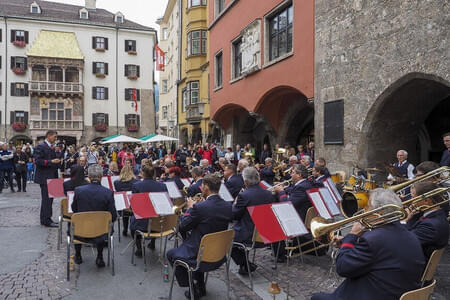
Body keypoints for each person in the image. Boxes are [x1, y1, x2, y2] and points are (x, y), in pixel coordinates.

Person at [311, 189, 425, 300]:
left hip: (371, 294)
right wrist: (347, 243)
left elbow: (343, 268)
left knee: (316, 297)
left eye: (368, 207)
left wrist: (352, 235)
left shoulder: (373, 239)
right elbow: (378, 256)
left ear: (378, 213)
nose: (364, 211)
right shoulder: (409, 234)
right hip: (394, 291)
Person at [166, 174, 232, 299]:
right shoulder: (228, 206)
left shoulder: (200, 208)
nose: (201, 188)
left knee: (170, 254)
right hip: (218, 253)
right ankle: (200, 285)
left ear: (206, 187)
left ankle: (193, 288)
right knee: (195, 247)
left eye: (202, 185)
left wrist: (191, 209)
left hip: (199, 253)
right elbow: (211, 218)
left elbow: (183, 227)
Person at [71, 165, 117, 267]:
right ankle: (100, 256)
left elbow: (74, 210)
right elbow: (113, 216)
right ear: (101, 176)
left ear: (89, 176)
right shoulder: (108, 193)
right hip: (102, 232)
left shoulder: (79, 190)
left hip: (80, 231)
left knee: (77, 222)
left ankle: (78, 254)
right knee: (102, 225)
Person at [231, 167, 274, 275]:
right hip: (266, 232)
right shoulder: (269, 193)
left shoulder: (244, 195)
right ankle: (246, 265)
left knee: (228, 240)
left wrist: (235, 203)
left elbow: (235, 215)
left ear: (245, 182)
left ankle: (246, 264)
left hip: (250, 234)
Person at [273, 164, 315, 261]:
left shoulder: (301, 187)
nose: (290, 174)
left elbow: (287, 205)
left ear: (299, 175)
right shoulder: (305, 184)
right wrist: (284, 188)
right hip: (302, 215)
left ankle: (280, 255)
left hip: (299, 220)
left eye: (292, 172)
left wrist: (281, 192)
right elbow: (294, 190)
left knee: (273, 219)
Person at [130, 163, 168, 256]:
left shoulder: (137, 185)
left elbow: (134, 206)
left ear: (143, 173)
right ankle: (152, 243)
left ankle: (139, 249)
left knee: (132, 225)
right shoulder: (162, 185)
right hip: (159, 223)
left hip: (142, 222)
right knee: (154, 216)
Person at [405, 181, 449, 259]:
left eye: (413, 197)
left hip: (414, 262)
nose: (411, 201)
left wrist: (404, 221)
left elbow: (404, 241)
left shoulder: (431, 226)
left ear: (426, 201)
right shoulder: (437, 215)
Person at [34, 130, 60, 227]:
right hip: (44, 177)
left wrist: (57, 160)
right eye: (55, 137)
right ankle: (46, 220)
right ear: (49, 136)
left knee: (49, 199)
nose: (56, 139)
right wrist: (51, 161)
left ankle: (46, 218)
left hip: (51, 176)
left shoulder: (51, 147)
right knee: (47, 199)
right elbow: (38, 161)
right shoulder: (41, 146)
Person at [114, 165, 138, 236]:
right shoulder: (136, 182)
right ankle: (131, 228)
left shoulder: (116, 182)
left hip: (122, 204)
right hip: (132, 204)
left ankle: (125, 229)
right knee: (131, 211)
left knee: (125, 211)